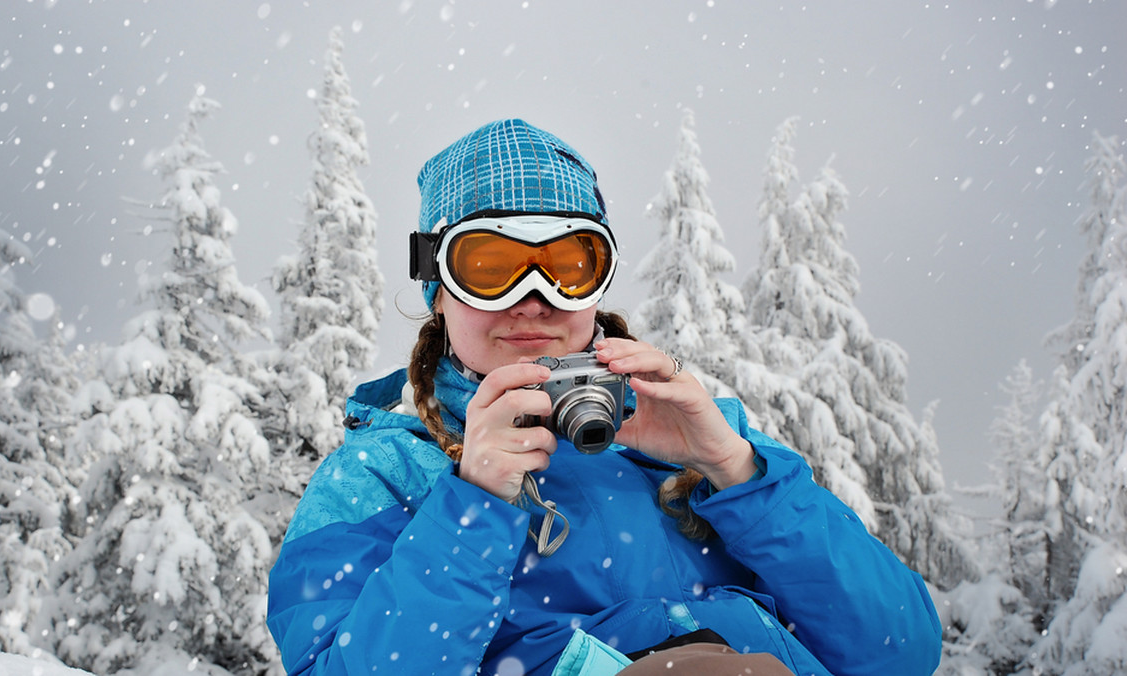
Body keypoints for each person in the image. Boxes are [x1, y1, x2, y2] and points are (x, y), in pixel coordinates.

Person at [266, 118, 942, 676]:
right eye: (491, 267)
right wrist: (473, 504)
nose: (533, 300)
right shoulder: (381, 474)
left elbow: (900, 652)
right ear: (439, 289)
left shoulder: (693, 435)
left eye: (566, 265)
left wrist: (737, 473)